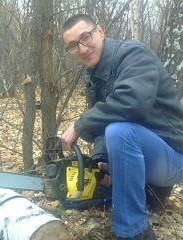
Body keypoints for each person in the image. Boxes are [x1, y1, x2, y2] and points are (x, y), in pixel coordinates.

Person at [60, 14, 183, 240]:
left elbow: (132, 102)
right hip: (144, 154)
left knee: (120, 132)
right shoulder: (94, 75)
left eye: (85, 37)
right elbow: (103, 122)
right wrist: (100, 161)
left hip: (174, 154)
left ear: (100, 32)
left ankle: (134, 232)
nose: (83, 48)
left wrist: (80, 124)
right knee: (113, 137)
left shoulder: (134, 54)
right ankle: (151, 193)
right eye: (73, 46)